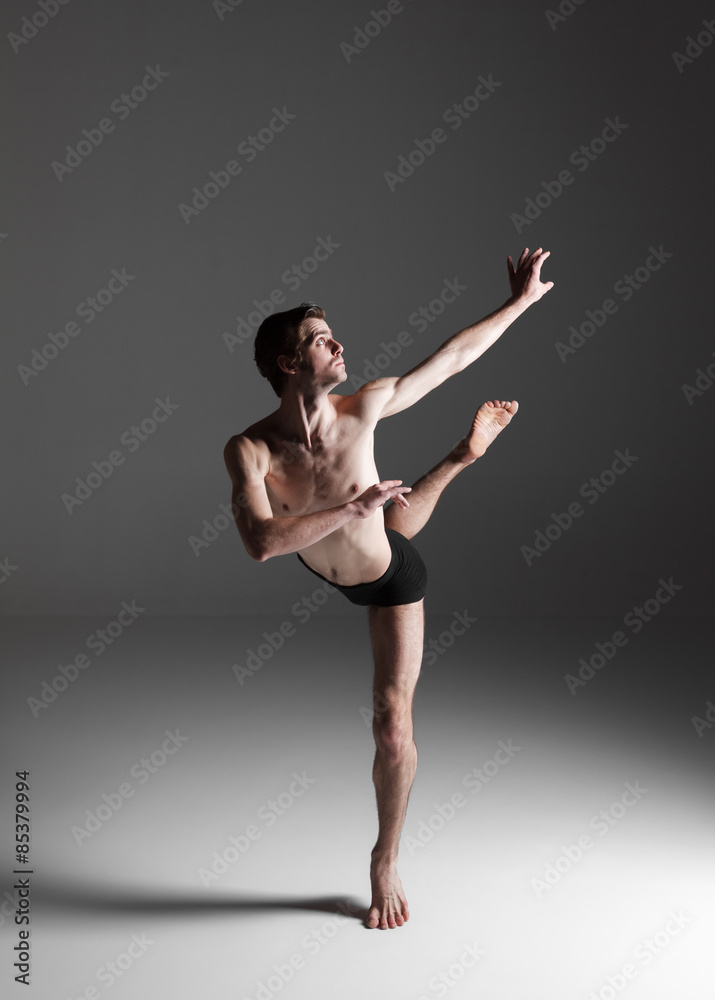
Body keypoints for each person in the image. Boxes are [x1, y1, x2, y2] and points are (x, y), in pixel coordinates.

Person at [223, 247, 553, 929]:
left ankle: (384, 858)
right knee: (382, 515)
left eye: (331, 333)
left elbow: (451, 359)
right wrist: (349, 508)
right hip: (345, 536)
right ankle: (442, 469)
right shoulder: (249, 449)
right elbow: (259, 543)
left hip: (388, 579)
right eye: (319, 340)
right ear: (288, 365)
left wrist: (519, 303)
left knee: (390, 725)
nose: (338, 344)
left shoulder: (365, 404)